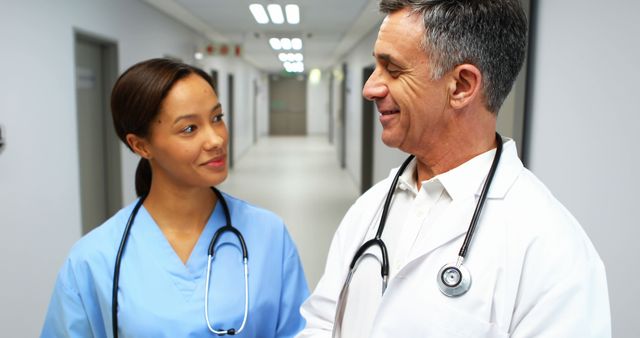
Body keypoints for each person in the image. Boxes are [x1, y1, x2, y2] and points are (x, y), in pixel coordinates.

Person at [297, 1, 610, 337]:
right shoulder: (370, 208)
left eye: (394, 69)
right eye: (376, 66)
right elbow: (322, 323)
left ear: (461, 86)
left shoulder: (553, 248)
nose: (370, 88)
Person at [41, 58, 309, 337]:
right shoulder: (94, 258)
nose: (216, 139)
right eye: (189, 128)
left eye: (217, 118)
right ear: (141, 145)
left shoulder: (269, 235)